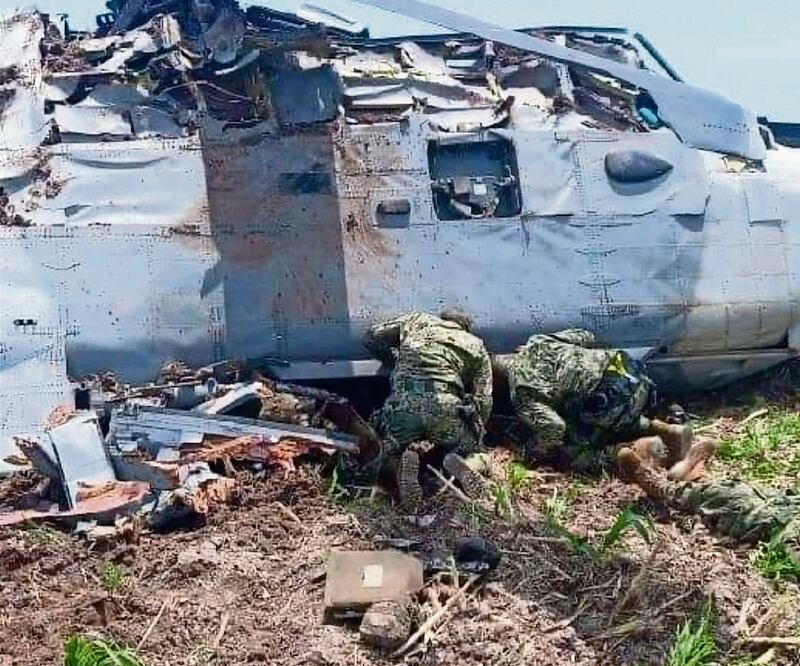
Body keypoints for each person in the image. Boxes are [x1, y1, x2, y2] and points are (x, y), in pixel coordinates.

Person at [504, 328, 691, 471]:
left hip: (606, 401)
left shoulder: (522, 391)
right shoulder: (539, 341)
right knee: (614, 414)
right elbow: (586, 335)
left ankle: (638, 450)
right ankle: (670, 431)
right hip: (627, 371)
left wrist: (531, 452)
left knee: (572, 453)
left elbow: (554, 428)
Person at [365, 310, 493, 509]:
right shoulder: (475, 344)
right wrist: (476, 432)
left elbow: (372, 336)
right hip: (446, 408)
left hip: (403, 407)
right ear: (465, 327)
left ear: (442, 319)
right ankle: (466, 463)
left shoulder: (416, 320)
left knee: (385, 451)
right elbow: (483, 398)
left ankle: (398, 470)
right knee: (475, 452)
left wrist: (392, 361)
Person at [618, 446, 799, 569]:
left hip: (765, 517)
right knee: (736, 489)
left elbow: (789, 548)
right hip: (781, 503)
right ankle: (697, 476)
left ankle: (656, 483)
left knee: (732, 496)